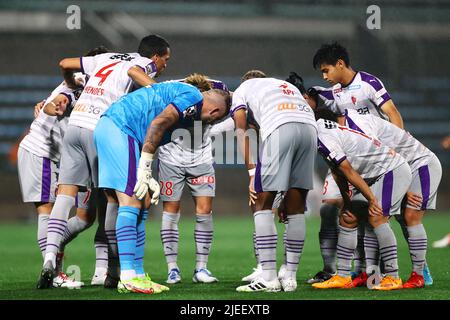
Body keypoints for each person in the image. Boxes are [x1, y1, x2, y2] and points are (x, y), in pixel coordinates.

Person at [37, 35, 170, 289]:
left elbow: (65, 63)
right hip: (101, 128)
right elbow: (133, 71)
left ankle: (49, 259)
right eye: (165, 60)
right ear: (155, 57)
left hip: (75, 125)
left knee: (65, 195)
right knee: (112, 198)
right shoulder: (143, 63)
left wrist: (70, 83)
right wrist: (159, 93)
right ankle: (113, 270)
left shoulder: (103, 58)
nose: (164, 66)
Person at [307, 41, 429, 285]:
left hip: (382, 157)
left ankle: (417, 270)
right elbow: (313, 96)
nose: (324, 75)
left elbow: (393, 113)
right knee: (344, 211)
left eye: (326, 70)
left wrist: (397, 153)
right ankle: (357, 271)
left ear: (340, 63)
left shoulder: (368, 83)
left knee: (395, 216)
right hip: (356, 157)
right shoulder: (334, 93)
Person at [94, 81, 230, 294]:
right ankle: (128, 275)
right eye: (217, 118)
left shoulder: (186, 107)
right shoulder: (193, 97)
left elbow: (153, 130)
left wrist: (146, 172)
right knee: (129, 200)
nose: (213, 121)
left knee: (143, 200)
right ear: (215, 111)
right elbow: (159, 122)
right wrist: (146, 168)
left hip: (119, 130)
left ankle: (138, 274)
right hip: (120, 128)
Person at [232, 70, 317, 293]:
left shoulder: (242, 90)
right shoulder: (279, 85)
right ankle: (290, 277)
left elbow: (241, 130)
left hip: (281, 128)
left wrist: (252, 173)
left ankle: (268, 277)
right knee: (296, 208)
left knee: (261, 204)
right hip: (310, 129)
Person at [337, 109, 442, 288]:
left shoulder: (360, 125)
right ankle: (373, 275)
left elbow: (384, 156)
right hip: (395, 169)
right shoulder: (348, 130)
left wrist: (404, 188)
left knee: (410, 216)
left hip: (420, 164)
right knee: (374, 215)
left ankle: (420, 274)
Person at [312, 109, 411, 291]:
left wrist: (372, 199)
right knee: (348, 217)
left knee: (377, 216)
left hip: (392, 170)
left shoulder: (321, 136)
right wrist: (347, 201)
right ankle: (343, 277)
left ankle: (393, 276)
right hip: (376, 173)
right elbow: (337, 171)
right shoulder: (320, 132)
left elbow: (347, 170)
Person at [158, 74, 229, 285]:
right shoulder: (172, 89)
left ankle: (201, 268)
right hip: (170, 159)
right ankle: (172, 269)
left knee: (204, 211)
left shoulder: (218, 89)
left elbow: (234, 100)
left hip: (201, 160)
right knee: (170, 211)